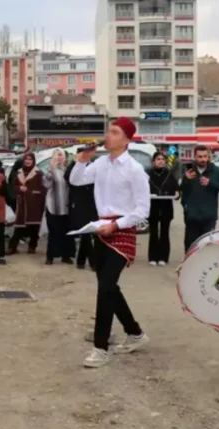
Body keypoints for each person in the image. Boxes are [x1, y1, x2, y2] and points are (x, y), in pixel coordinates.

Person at [69, 117, 150, 368]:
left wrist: (116, 225)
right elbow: (76, 180)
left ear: (126, 139)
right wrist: (81, 161)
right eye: (108, 131)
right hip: (100, 229)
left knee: (105, 287)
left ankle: (100, 347)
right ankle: (135, 332)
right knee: (109, 287)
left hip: (121, 231)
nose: (108, 135)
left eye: (114, 132)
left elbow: (143, 210)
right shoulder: (101, 163)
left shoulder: (134, 169)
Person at [180, 145, 219, 252]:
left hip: (209, 216)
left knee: (207, 246)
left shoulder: (216, 171)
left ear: (209, 156)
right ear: (194, 157)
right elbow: (181, 190)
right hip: (192, 216)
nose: (203, 159)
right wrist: (186, 179)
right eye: (200, 157)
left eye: (205, 156)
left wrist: (210, 183)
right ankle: (189, 262)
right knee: (190, 245)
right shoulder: (188, 170)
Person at [8, 152, 45, 255]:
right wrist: (19, 188)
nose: (28, 161)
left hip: (35, 203)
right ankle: (12, 247)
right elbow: (13, 186)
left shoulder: (39, 173)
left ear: (33, 161)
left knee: (34, 226)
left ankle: (32, 247)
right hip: (22, 203)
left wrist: (30, 192)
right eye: (26, 159)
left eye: (30, 159)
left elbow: (43, 188)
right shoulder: (19, 172)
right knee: (19, 226)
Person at [147, 152, 179, 266]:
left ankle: (163, 258)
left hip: (166, 207)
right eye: (158, 159)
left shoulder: (169, 174)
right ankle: (152, 257)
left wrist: (177, 193)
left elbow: (176, 189)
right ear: (153, 161)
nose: (161, 161)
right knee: (153, 233)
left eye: (163, 159)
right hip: (153, 207)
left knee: (165, 232)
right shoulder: (148, 175)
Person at [64, 159, 97, 270]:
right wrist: (76, 162)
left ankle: (81, 261)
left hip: (91, 204)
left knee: (87, 233)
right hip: (78, 205)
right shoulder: (73, 167)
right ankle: (93, 262)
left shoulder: (93, 166)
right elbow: (67, 178)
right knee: (85, 233)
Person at [43, 149, 75, 264]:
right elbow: (46, 184)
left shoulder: (68, 170)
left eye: (62, 155)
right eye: (58, 155)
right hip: (53, 206)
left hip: (66, 207)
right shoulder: (50, 170)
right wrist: (51, 169)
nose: (60, 158)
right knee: (54, 233)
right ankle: (50, 256)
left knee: (67, 232)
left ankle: (66, 256)